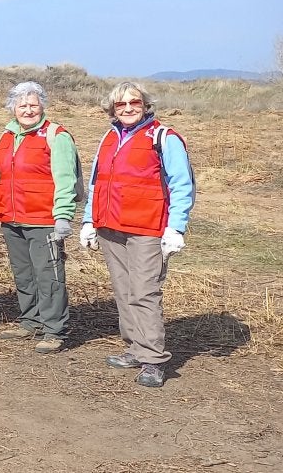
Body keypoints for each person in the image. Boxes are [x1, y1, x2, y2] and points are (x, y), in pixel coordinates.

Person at [80, 81, 195, 388]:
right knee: (124, 290)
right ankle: (135, 347)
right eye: (121, 104)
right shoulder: (109, 136)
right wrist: (89, 220)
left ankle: (154, 359)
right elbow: (96, 181)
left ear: (146, 105)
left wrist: (175, 227)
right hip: (110, 227)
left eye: (135, 102)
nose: (128, 108)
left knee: (144, 292)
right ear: (112, 109)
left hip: (147, 228)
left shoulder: (164, 138)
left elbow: (182, 185)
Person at [0, 81, 80, 354]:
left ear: (43, 106)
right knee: (24, 275)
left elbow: (65, 179)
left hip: (44, 221)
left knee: (49, 276)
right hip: (12, 220)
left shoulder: (56, 136)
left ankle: (54, 330)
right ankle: (31, 320)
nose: (28, 110)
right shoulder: (4, 138)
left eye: (33, 104)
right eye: (22, 105)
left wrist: (63, 217)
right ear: (13, 108)